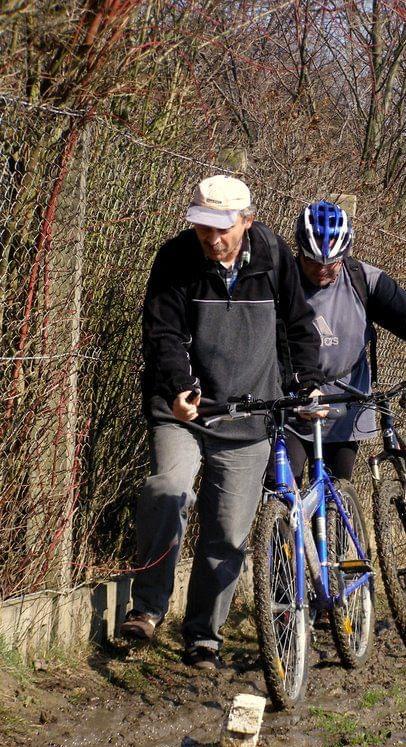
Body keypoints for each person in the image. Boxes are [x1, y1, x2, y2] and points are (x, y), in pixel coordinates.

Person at [120, 175, 322, 669]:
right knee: (168, 488)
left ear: (247, 221)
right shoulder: (175, 259)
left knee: (228, 532)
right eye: (203, 229)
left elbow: (300, 328)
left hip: (250, 416)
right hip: (185, 411)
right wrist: (178, 388)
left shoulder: (274, 258)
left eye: (222, 229)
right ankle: (147, 609)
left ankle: (203, 636)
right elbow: (161, 331)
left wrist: (307, 383)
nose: (212, 239)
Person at [285, 200, 406, 483]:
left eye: (332, 263)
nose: (322, 270)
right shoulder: (281, 281)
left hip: (344, 402)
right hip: (292, 402)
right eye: (312, 261)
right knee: (284, 491)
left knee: (337, 491)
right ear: (298, 251)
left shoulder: (363, 280)